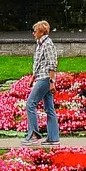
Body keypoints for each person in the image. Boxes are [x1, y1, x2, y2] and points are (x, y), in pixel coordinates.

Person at [25, 18, 61, 146]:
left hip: (45, 78)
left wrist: (51, 82)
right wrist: (32, 78)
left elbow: (52, 64)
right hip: (41, 77)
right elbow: (39, 63)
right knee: (49, 108)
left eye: (35, 31)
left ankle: (34, 135)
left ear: (41, 32)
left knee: (30, 104)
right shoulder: (40, 44)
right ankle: (53, 137)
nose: (33, 33)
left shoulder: (48, 44)